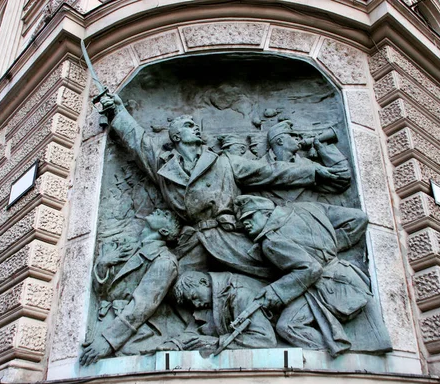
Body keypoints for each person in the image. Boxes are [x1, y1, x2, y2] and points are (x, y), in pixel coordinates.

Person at [101, 93, 348, 279]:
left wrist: (314, 171)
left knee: (282, 270)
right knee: (170, 282)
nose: (195, 127)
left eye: (194, 125)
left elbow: (271, 172)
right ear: (176, 137)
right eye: (188, 125)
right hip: (193, 240)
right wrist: (117, 112)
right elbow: (138, 141)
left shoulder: (225, 162)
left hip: (229, 236)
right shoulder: (163, 166)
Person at [235, 195, 392, 356]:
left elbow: (311, 269)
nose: (245, 223)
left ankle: (333, 359)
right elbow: (359, 218)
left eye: (250, 216)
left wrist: (276, 292)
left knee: (288, 326)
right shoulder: (306, 207)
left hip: (323, 286)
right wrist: (328, 248)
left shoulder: (271, 241)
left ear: (266, 213)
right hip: (345, 274)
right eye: (242, 220)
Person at [80, 209, 185, 365]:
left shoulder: (165, 261)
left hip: (129, 332)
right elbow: (103, 293)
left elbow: (142, 306)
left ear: (164, 231)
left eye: (165, 214)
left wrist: (108, 341)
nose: (158, 210)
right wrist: (103, 264)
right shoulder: (127, 248)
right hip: (102, 320)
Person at [165, 270, 277, 351]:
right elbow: (196, 330)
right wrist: (176, 343)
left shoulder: (239, 294)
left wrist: (216, 342)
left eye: (194, 297)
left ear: (204, 282)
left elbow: (265, 339)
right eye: (191, 302)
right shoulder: (210, 298)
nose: (196, 304)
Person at [256, 120, 351, 205]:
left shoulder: (307, 164)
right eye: (293, 136)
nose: (298, 139)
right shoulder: (258, 167)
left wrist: (323, 150)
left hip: (309, 219)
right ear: (280, 141)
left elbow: (342, 179)